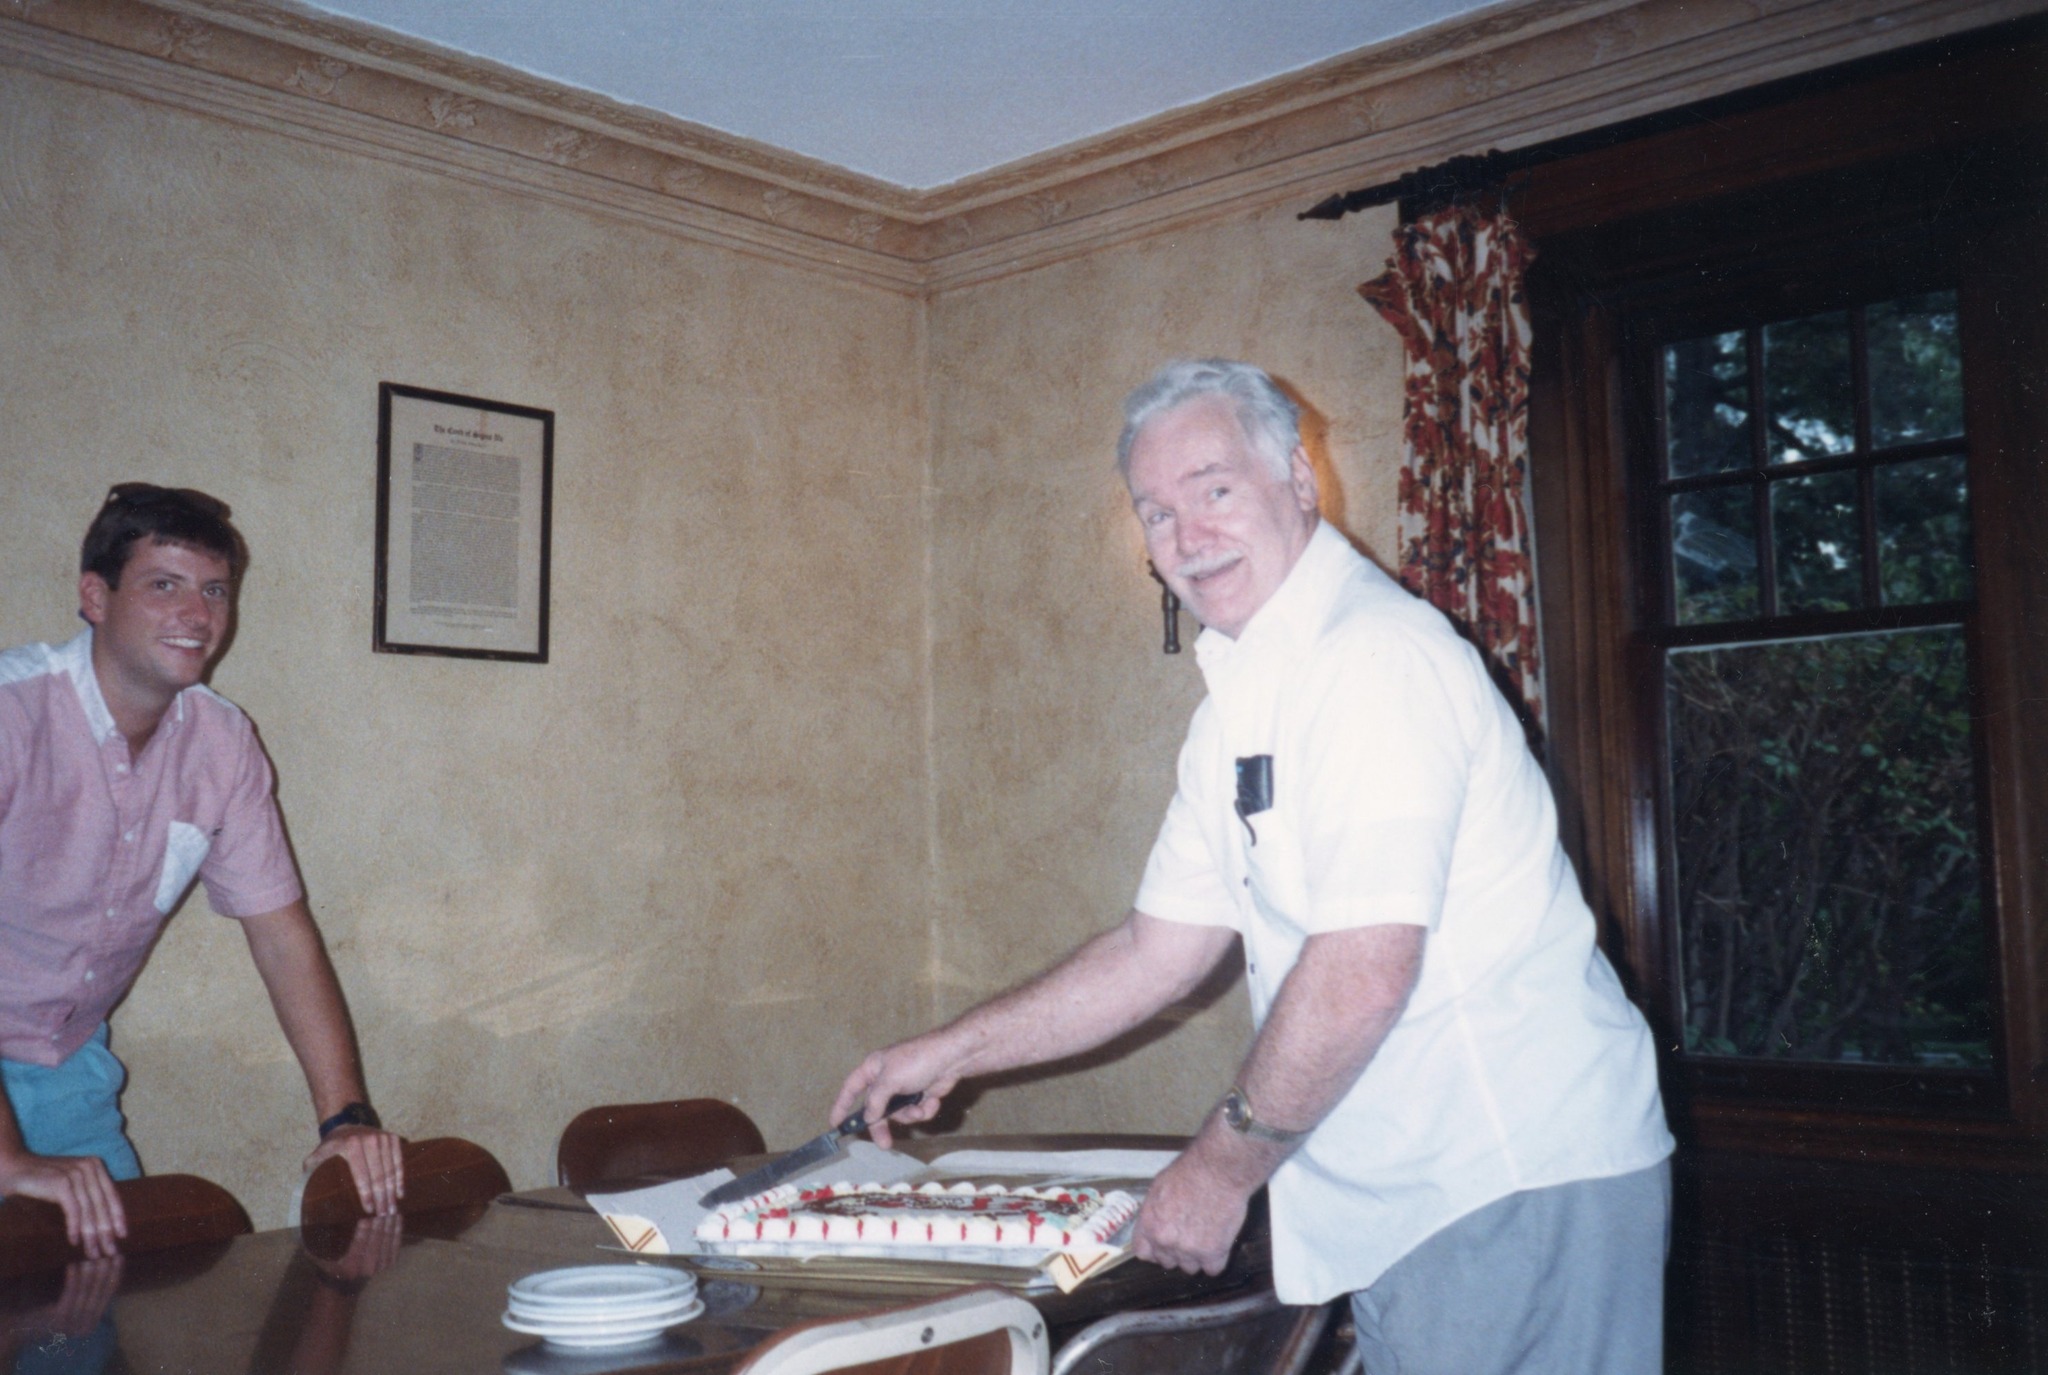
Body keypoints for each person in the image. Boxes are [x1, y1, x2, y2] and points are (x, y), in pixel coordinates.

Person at [835, 360, 1675, 1374]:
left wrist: (1219, 1166)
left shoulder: (1369, 659)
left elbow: (1362, 966)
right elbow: (1158, 949)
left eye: (1213, 489)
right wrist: (951, 1052)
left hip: (1504, 1173)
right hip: (1428, 1188)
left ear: (1297, 479)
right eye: (1154, 513)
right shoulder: (1241, 695)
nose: (1185, 537)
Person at [1, 483, 404, 1258]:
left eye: (214, 589)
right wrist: (8, 1160)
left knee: (119, 1303)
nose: (196, 613)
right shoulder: (15, 712)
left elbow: (283, 938)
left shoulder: (222, 741)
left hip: (66, 1061)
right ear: (94, 595)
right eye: (164, 584)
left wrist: (344, 1120)